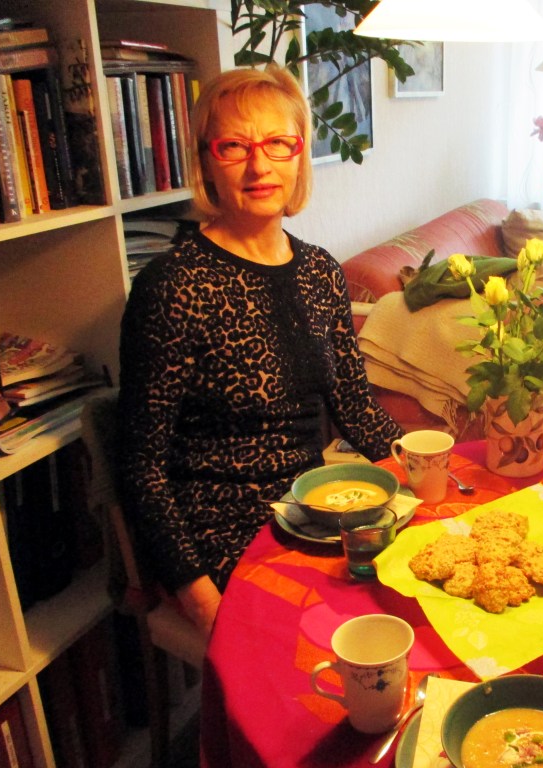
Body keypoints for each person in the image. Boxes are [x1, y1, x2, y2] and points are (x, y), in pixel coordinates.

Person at [118, 67, 402, 641]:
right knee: (332, 650)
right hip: (224, 538)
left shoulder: (320, 270)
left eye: (278, 143)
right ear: (206, 162)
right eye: (234, 146)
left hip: (312, 513)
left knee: (421, 600)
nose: (259, 165)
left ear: (298, 155)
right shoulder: (172, 287)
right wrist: (202, 602)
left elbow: (356, 406)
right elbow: (141, 470)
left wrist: (428, 468)